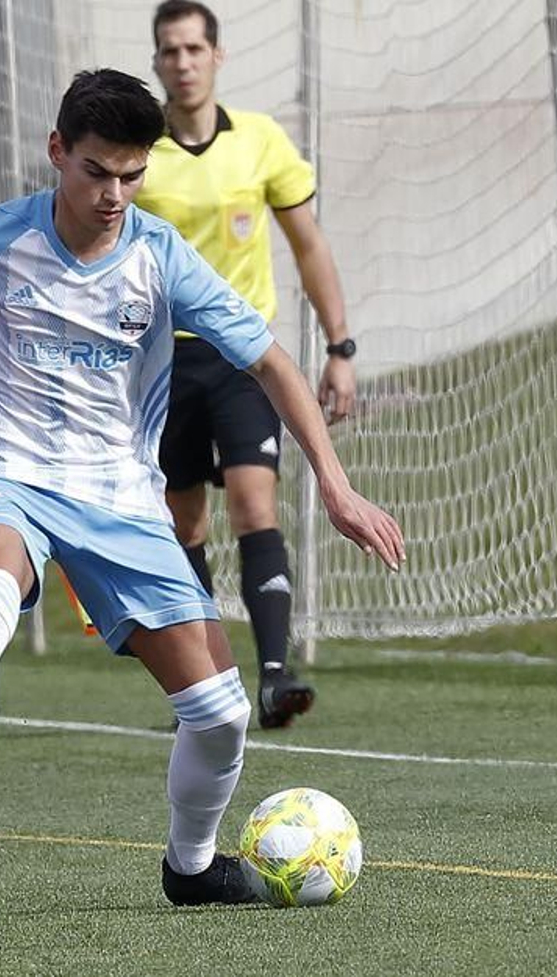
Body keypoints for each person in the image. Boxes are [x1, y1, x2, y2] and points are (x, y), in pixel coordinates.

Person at [0, 70, 402, 909]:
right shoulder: (1, 237)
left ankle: (191, 868)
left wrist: (336, 488)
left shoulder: (161, 258)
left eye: (132, 174)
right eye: (96, 172)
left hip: (119, 495)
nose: (114, 193)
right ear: (58, 153)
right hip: (3, 468)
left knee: (221, 712)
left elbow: (269, 359)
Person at [137, 0, 358, 729]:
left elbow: (312, 245)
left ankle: (273, 674)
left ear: (217, 56)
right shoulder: (138, 154)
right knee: (185, 522)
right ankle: (204, 678)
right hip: (161, 364)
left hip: (243, 357)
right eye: (170, 51)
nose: (183, 62)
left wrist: (339, 346)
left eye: (195, 48)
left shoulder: (260, 141)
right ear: (158, 62)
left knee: (255, 503)